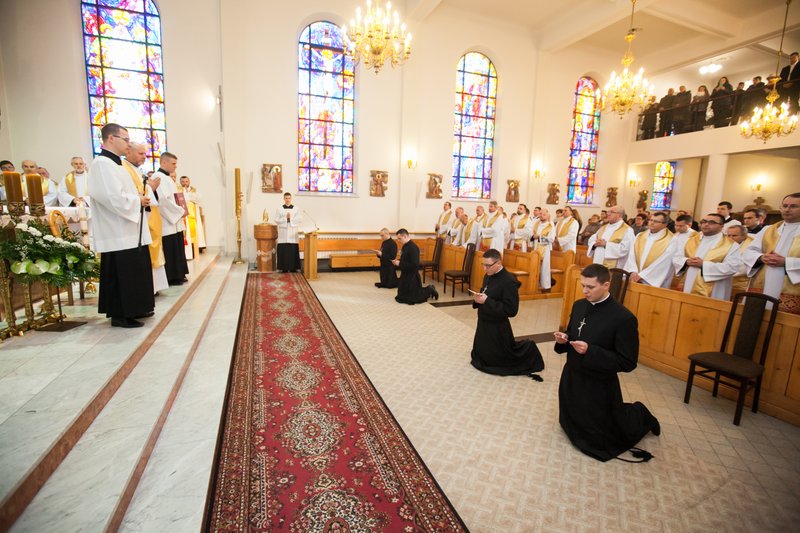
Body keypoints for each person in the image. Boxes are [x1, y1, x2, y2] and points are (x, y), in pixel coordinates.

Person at [555, 264, 660, 462]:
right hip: (572, 375)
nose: (585, 291)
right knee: (571, 421)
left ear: (606, 285)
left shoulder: (623, 318)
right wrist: (564, 339)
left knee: (601, 437)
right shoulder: (579, 305)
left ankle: (642, 415)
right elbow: (573, 332)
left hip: (598, 383)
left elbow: (628, 362)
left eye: (590, 287)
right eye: (583, 285)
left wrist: (590, 351)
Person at [88, 123, 154, 328]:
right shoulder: (102, 164)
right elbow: (111, 197)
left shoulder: (116, 165)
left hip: (128, 229)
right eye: (125, 139)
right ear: (110, 139)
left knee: (134, 270)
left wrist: (139, 197)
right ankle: (121, 314)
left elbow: (122, 193)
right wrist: (137, 200)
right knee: (123, 273)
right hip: (117, 231)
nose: (128, 143)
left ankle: (135, 308)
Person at [470, 249, 544, 377]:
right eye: (483, 264)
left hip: (497, 327)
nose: (484, 268)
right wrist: (477, 299)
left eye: (488, 265)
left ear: (498, 263)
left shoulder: (508, 281)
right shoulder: (488, 275)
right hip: (484, 323)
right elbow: (484, 292)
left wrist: (487, 301)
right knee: (481, 356)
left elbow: (511, 310)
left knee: (499, 361)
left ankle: (529, 349)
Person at [123, 143, 169, 295]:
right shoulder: (123, 168)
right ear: (128, 152)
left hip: (148, 215)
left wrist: (150, 188)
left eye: (145, 153)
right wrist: (150, 188)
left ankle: (154, 287)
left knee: (153, 248)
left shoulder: (135, 170)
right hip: (138, 218)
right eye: (141, 153)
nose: (145, 156)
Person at [743, 192, 800, 314]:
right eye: (784, 206)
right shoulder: (769, 229)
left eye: (793, 206)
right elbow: (748, 251)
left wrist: (786, 262)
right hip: (763, 284)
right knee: (756, 318)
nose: (787, 209)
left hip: (792, 286)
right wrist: (761, 257)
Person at [673, 213, 741, 300]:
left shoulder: (731, 245)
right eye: (704, 221)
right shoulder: (689, 240)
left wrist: (703, 265)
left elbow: (732, 267)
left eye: (711, 222)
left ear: (721, 226)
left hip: (715, 288)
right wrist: (686, 261)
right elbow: (676, 258)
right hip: (689, 284)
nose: (706, 224)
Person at [153, 153, 189, 285]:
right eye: (173, 163)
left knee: (177, 247)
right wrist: (180, 211)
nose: (175, 166)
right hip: (167, 221)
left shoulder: (167, 178)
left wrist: (180, 210)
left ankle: (179, 274)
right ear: (164, 162)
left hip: (175, 219)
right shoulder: (158, 177)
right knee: (170, 248)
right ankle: (172, 276)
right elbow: (163, 201)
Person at [624, 211, 677, 288]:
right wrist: (633, 271)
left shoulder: (672, 239)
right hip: (634, 276)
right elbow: (632, 255)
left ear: (665, 224)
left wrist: (643, 275)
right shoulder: (640, 235)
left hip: (652, 281)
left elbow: (664, 261)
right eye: (651, 220)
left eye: (656, 221)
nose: (652, 223)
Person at [392, 229, 438, 304]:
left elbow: (415, 265)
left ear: (405, 236)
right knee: (401, 297)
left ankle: (430, 289)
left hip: (412, 276)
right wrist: (398, 261)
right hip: (405, 274)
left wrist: (400, 264)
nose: (398, 241)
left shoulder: (413, 248)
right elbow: (405, 260)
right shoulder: (405, 246)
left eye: (399, 238)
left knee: (413, 298)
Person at [179, 175, 207, 257]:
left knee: (195, 232)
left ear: (189, 182)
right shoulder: (178, 190)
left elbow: (198, 199)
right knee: (186, 234)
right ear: (180, 182)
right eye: (182, 181)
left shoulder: (194, 190)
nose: (184, 183)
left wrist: (187, 194)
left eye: (186, 181)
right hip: (184, 216)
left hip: (193, 216)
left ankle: (195, 249)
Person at [275, 192, 303, 272]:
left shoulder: (296, 209)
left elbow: (299, 219)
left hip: (292, 233)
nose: (288, 200)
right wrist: (285, 219)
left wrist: (290, 219)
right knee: (283, 249)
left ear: (291, 199)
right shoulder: (279, 209)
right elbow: (276, 219)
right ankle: (283, 268)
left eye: (289, 198)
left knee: (292, 250)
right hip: (283, 233)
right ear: (284, 199)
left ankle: (293, 268)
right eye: (286, 198)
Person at [726, 224, 754, 297]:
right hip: (725, 280)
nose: (730, 238)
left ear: (744, 236)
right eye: (728, 235)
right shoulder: (726, 244)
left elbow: (743, 268)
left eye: (734, 236)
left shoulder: (751, 247)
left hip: (741, 285)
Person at [532, 208, 555, 291]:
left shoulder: (550, 226)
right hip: (535, 247)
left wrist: (539, 237)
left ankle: (544, 285)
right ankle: (534, 283)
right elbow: (531, 235)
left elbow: (551, 239)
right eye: (540, 214)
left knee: (544, 268)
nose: (541, 216)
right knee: (534, 266)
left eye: (544, 214)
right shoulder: (536, 224)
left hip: (545, 249)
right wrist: (533, 236)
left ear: (548, 215)